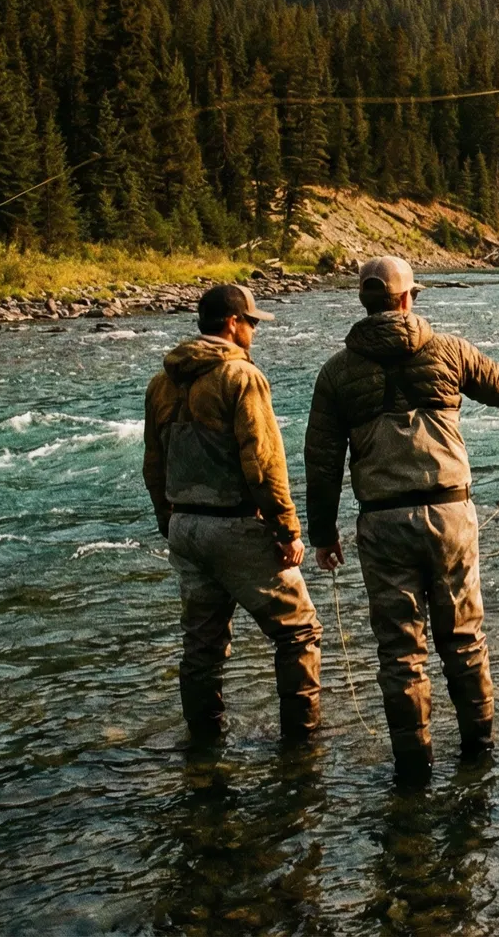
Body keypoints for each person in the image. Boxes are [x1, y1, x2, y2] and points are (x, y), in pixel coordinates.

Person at [304, 255, 499, 783]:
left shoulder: (336, 373)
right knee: (464, 639)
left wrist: (322, 535)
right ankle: (479, 756)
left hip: (381, 524)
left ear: (364, 302)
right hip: (450, 516)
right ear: (410, 298)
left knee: (400, 654)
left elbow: (320, 461)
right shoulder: (449, 350)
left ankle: (414, 770)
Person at [143, 283, 321, 745]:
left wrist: (169, 520)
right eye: (252, 322)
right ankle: (301, 747)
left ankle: (204, 746)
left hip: (184, 525)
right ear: (231, 324)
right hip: (234, 524)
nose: (255, 330)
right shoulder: (241, 377)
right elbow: (262, 461)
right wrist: (287, 529)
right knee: (299, 632)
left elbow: (152, 463)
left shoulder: (162, 382)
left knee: (202, 646)